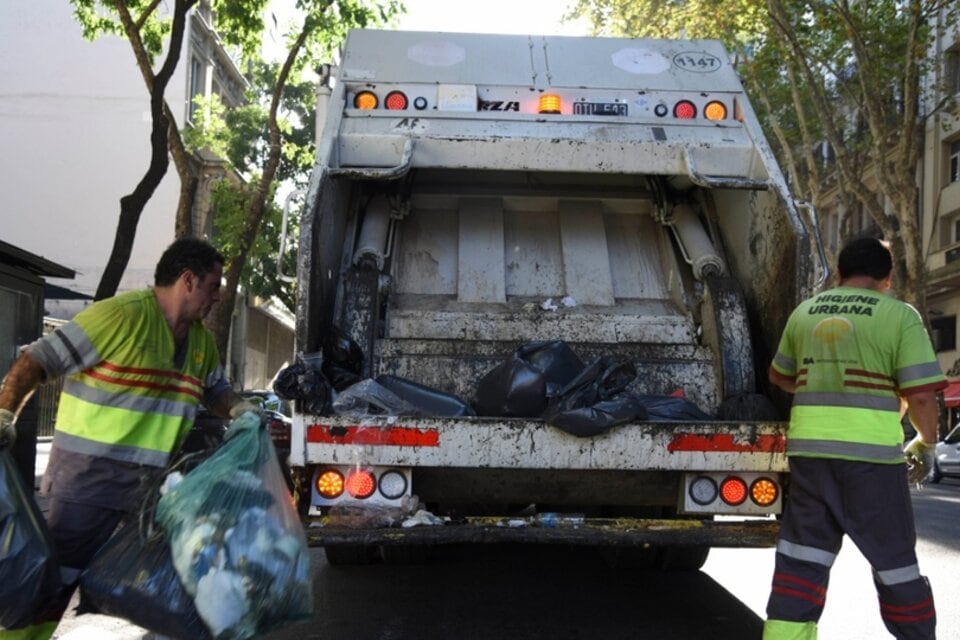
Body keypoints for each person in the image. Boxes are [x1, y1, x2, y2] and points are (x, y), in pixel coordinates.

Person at [0, 237, 259, 639]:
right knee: (49, 592)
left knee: (171, 592)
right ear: (188, 281)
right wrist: (5, 412)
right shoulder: (120, 317)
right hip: (89, 486)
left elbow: (215, 392)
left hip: (151, 495)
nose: (219, 296)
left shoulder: (201, 344)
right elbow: (37, 361)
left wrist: (239, 409)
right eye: (214, 285)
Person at [763, 237, 943, 640]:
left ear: (839, 274)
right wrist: (926, 444)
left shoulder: (805, 313)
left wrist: (824, 382)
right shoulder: (899, 316)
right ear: (887, 279)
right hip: (872, 461)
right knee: (895, 564)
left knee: (801, 559)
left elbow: (779, 375)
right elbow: (920, 395)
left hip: (809, 456)